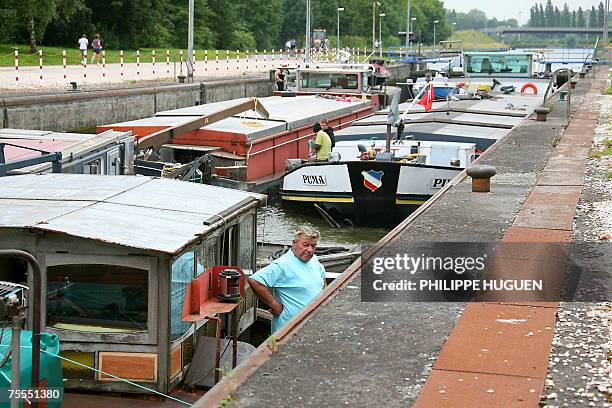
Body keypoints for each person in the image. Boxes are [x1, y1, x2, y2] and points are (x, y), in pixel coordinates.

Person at [248, 226, 325, 334]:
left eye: (313, 246)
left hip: (312, 326)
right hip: (288, 329)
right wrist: (274, 305)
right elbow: (255, 280)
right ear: (294, 243)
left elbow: (322, 278)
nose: (310, 250)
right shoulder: (283, 265)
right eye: (305, 245)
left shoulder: (314, 260)